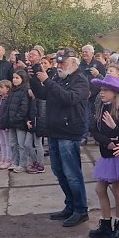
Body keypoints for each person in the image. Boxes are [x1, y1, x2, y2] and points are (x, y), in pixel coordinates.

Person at [33, 48, 91, 227]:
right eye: (58, 62)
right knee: (59, 172)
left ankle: (81, 210)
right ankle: (70, 205)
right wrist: (35, 79)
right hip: (55, 130)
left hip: (69, 132)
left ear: (74, 63)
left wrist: (48, 82)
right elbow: (42, 95)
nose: (59, 66)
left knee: (72, 174)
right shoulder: (59, 78)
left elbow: (68, 98)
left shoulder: (80, 81)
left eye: (63, 62)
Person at [88, 74, 119, 238]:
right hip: (106, 153)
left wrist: (116, 130)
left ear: (115, 92)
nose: (102, 93)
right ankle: (106, 223)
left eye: (106, 90)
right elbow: (95, 129)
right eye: (101, 90)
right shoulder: (102, 107)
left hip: (118, 155)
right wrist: (106, 142)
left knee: (117, 189)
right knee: (100, 189)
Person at [7, 69, 32, 173]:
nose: (14, 80)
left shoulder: (25, 91)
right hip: (11, 122)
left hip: (19, 122)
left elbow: (24, 108)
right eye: (13, 78)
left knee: (21, 144)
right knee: (13, 143)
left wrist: (17, 118)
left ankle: (22, 164)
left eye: (17, 78)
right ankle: (15, 162)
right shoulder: (13, 91)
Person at [0, 79, 14, 169]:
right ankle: (3, 158)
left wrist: (7, 124)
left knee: (7, 142)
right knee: (2, 143)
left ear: (8, 89)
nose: (0, 90)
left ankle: (8, 159)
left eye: (2, 88)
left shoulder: (9, 99)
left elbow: (8, 112)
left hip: (5, 125)